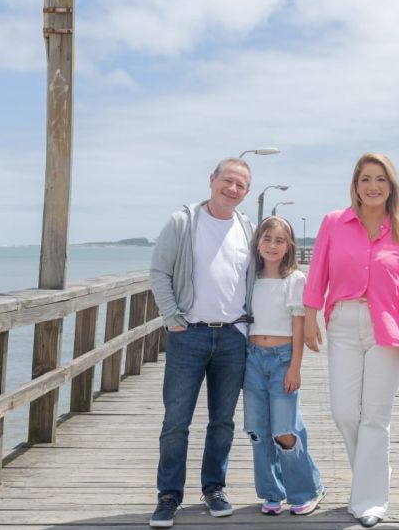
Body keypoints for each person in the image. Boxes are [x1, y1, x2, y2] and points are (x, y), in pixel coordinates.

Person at [303, 152, 399, 528]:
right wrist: (309, 318)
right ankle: (367, 481)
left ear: (392, 186)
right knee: (343, 411)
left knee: (375, 416)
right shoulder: (333, 223)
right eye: (365, 179)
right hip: (342, 322)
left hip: (387, 329)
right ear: (355, 186)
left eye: (380, 179)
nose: (373, 187)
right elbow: (317, 273)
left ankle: (370, 500)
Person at [147, 157, 257, 528]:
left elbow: (256, 280)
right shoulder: (184, 221)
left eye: (240, 185)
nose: (232, 189)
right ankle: (168, 495)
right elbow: (159, 270)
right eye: (227, 181)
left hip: (232, 337)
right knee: (176, 420)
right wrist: (172, 318)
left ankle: (214, 488)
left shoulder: (248, 229)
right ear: (212, 180)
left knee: (222, 422)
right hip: (188, 334)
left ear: (246, 192)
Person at [243, 216, 326, 517]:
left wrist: (295, 367)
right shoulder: (250, 278)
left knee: (284, 430)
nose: (272, 245)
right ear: (258, 243)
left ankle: (307, 489)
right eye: (267, 239)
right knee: (258, 430)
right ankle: (271, 492)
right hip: (252, 359)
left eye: (279, 240)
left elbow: (298, 325)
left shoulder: (295, 280)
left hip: (281, 360)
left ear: (289, 245)